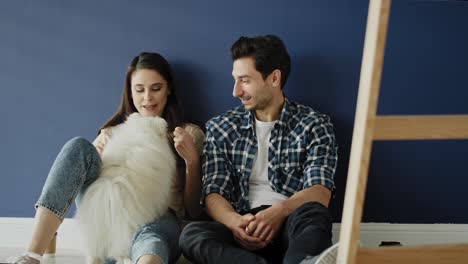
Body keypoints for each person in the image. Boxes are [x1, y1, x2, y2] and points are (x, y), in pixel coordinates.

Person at [9, 52, 204, 264]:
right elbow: (89, 193)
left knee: (150, 243)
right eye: (139, 90)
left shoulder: (188, 134)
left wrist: (191, 162)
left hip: (158, 222)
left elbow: (193, 211)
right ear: (130, 92)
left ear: (169, 89)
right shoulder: (111, 134)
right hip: (109, 220)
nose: (147, 98)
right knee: (78, 146)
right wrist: (100, 162)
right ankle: (32, 254)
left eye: (156, 88)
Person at [179, 35, 338, 264]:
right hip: (241, 226)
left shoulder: (314, 124)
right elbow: (214, 193)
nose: (236, 91)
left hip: (289, 224)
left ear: (274, 78)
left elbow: (320, 191)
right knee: (192, 235)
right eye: (235, 80)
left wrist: (278, 212)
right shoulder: (221, 128)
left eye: (245, 80)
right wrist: (235, 222)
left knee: (314, 214)